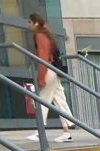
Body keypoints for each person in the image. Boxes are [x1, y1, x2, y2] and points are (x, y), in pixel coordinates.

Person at [26, 13, 74, 143]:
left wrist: (40, 78)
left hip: (47, 71)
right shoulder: (46, 36)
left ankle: (39, 132)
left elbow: (42, 59)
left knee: (42, 100)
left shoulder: (39, 36)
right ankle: (67, 131)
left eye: (30, 22)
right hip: (53, 70)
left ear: (36, 23)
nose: (28, 24)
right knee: (59, 99)